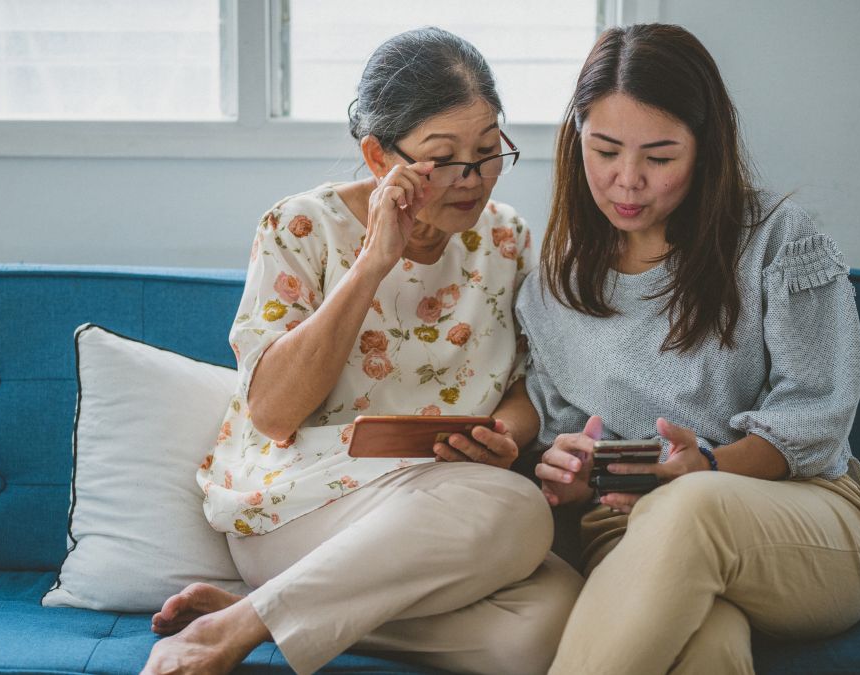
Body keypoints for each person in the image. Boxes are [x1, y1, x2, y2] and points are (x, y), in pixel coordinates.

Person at [143, 27, 582, 675]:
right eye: (446, 157)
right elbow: (272, 413)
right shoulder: (301, 227)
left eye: (488, 151)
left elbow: (521, 390)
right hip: (302, 507)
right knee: (517, 511)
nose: (474, 178)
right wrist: (373, 263)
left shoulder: (507, 237)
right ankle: (235, 627)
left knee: (545, 630)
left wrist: (507, 437)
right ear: (380, 158)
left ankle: (268, 611)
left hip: (439, 511)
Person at [518, 24, 860, 674]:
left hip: (804, 524)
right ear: (577, 142)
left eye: (659, 158)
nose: (627, 181)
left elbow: (815, 420)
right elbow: (565, 445)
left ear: (705, 147)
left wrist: (708, 467)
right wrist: (567, 475)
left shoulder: (775, 240)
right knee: (707, 648)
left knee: (688, 506)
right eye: (604, 150)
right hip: (626, 534)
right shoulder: (553, 287)